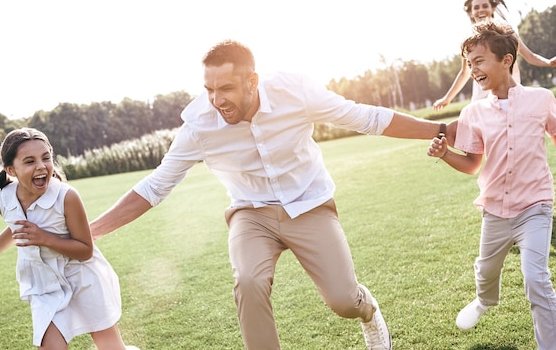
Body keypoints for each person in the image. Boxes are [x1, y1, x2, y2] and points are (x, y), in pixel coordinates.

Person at [90, 39, 454, 350]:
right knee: (248, 281)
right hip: (251, 214)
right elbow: (155, 186)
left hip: (309, 205)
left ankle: (367, 309)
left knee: (343, 301)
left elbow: (367, 118)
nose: (216, 100)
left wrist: (442, 129)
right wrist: (91, 232)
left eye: (226, 89)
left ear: (252, 81)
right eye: (209, 90)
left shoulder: (293, 91)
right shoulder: (199, 126)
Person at [427, 22, 556, 349]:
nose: (473, 69)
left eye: (479, 61)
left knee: (536, 279)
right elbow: (472, 164)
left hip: (535, 207)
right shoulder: (473, 113)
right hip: (495, 210)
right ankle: (484, 301)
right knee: (486, 270)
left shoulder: (541, 99)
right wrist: (445, 155)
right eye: (469, 64)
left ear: (507, 60)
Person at [0, 128, 139, 350]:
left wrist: (44, 238)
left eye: (46, 158)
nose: (41, 166)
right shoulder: (2, 200)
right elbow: (17, 228)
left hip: (84, 280)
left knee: (112, 348)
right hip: (45, 286)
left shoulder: (67, 196)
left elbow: (85, 250)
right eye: (29, 161)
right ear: (11, 170)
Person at [433, 0, 556, 110]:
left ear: (492, 9)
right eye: (476, 7)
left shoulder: (506, 34)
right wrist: (447, 99)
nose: (481, 10)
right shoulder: (469, 41)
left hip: (508, 92)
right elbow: (464, 72)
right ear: (471, 13)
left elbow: (530, 56)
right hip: (483, 94)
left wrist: (548, 62)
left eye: (485, 6)